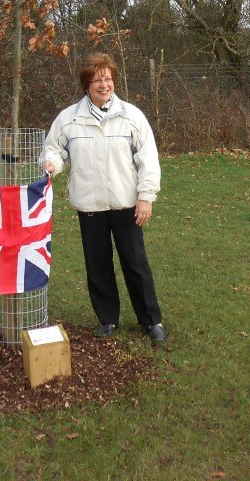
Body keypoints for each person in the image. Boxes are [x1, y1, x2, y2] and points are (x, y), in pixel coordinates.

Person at [41, 52, 168, 344]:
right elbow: (53, 150)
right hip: (90, 206)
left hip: (126, 205)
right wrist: (51, 164)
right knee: (98, 265)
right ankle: (107, 319)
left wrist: (146, 197)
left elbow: (148, 160)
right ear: (87, 84)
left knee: (136, 264)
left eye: (108, 78)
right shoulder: (69, 119)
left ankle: (151, 321)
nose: (103, 84)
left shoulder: (132, 116)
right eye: (97, 79)